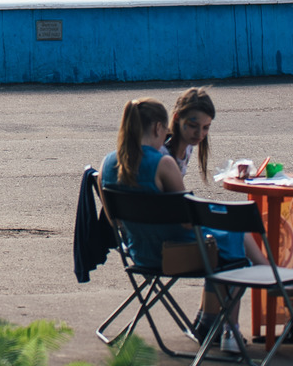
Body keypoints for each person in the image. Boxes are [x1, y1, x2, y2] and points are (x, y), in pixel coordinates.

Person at [100, 97, 265, 350]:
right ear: (158, 128)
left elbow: (114, 223)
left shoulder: (107, 164)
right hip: (174, 254)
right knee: (233, 241)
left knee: (226, 240)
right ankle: (264, 288)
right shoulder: (162, 163)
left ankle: (209, 322)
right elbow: (189, 222)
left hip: (139, 253)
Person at [165, 87, 215, 182]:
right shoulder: (163, 154)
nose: (199, 134)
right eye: (193, 125)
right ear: (177, 118)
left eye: (206, 127)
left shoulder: (188, 147)